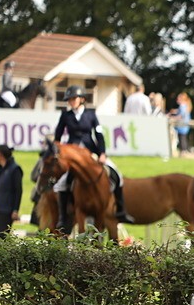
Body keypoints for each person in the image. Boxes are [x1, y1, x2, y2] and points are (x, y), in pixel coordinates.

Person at [52, 85, 134, 231]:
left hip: (91, 152)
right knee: (61, 184)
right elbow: (58, 137)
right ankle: (63, 218)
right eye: (69, 99)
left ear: (82, 99)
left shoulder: (91, 115)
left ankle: (121, 211)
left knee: (117, 175)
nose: (71, 102)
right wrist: (57, 151)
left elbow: (99, 135)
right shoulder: (66, 116)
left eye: (73, 99)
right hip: (74, 155)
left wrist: (102, 153)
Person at [0, 144, 22, 238]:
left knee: (3, 236)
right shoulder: (0, 169)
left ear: (0, 155)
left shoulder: (15, 169)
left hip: (7, 209)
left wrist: (15, 209)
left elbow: (18, 191)